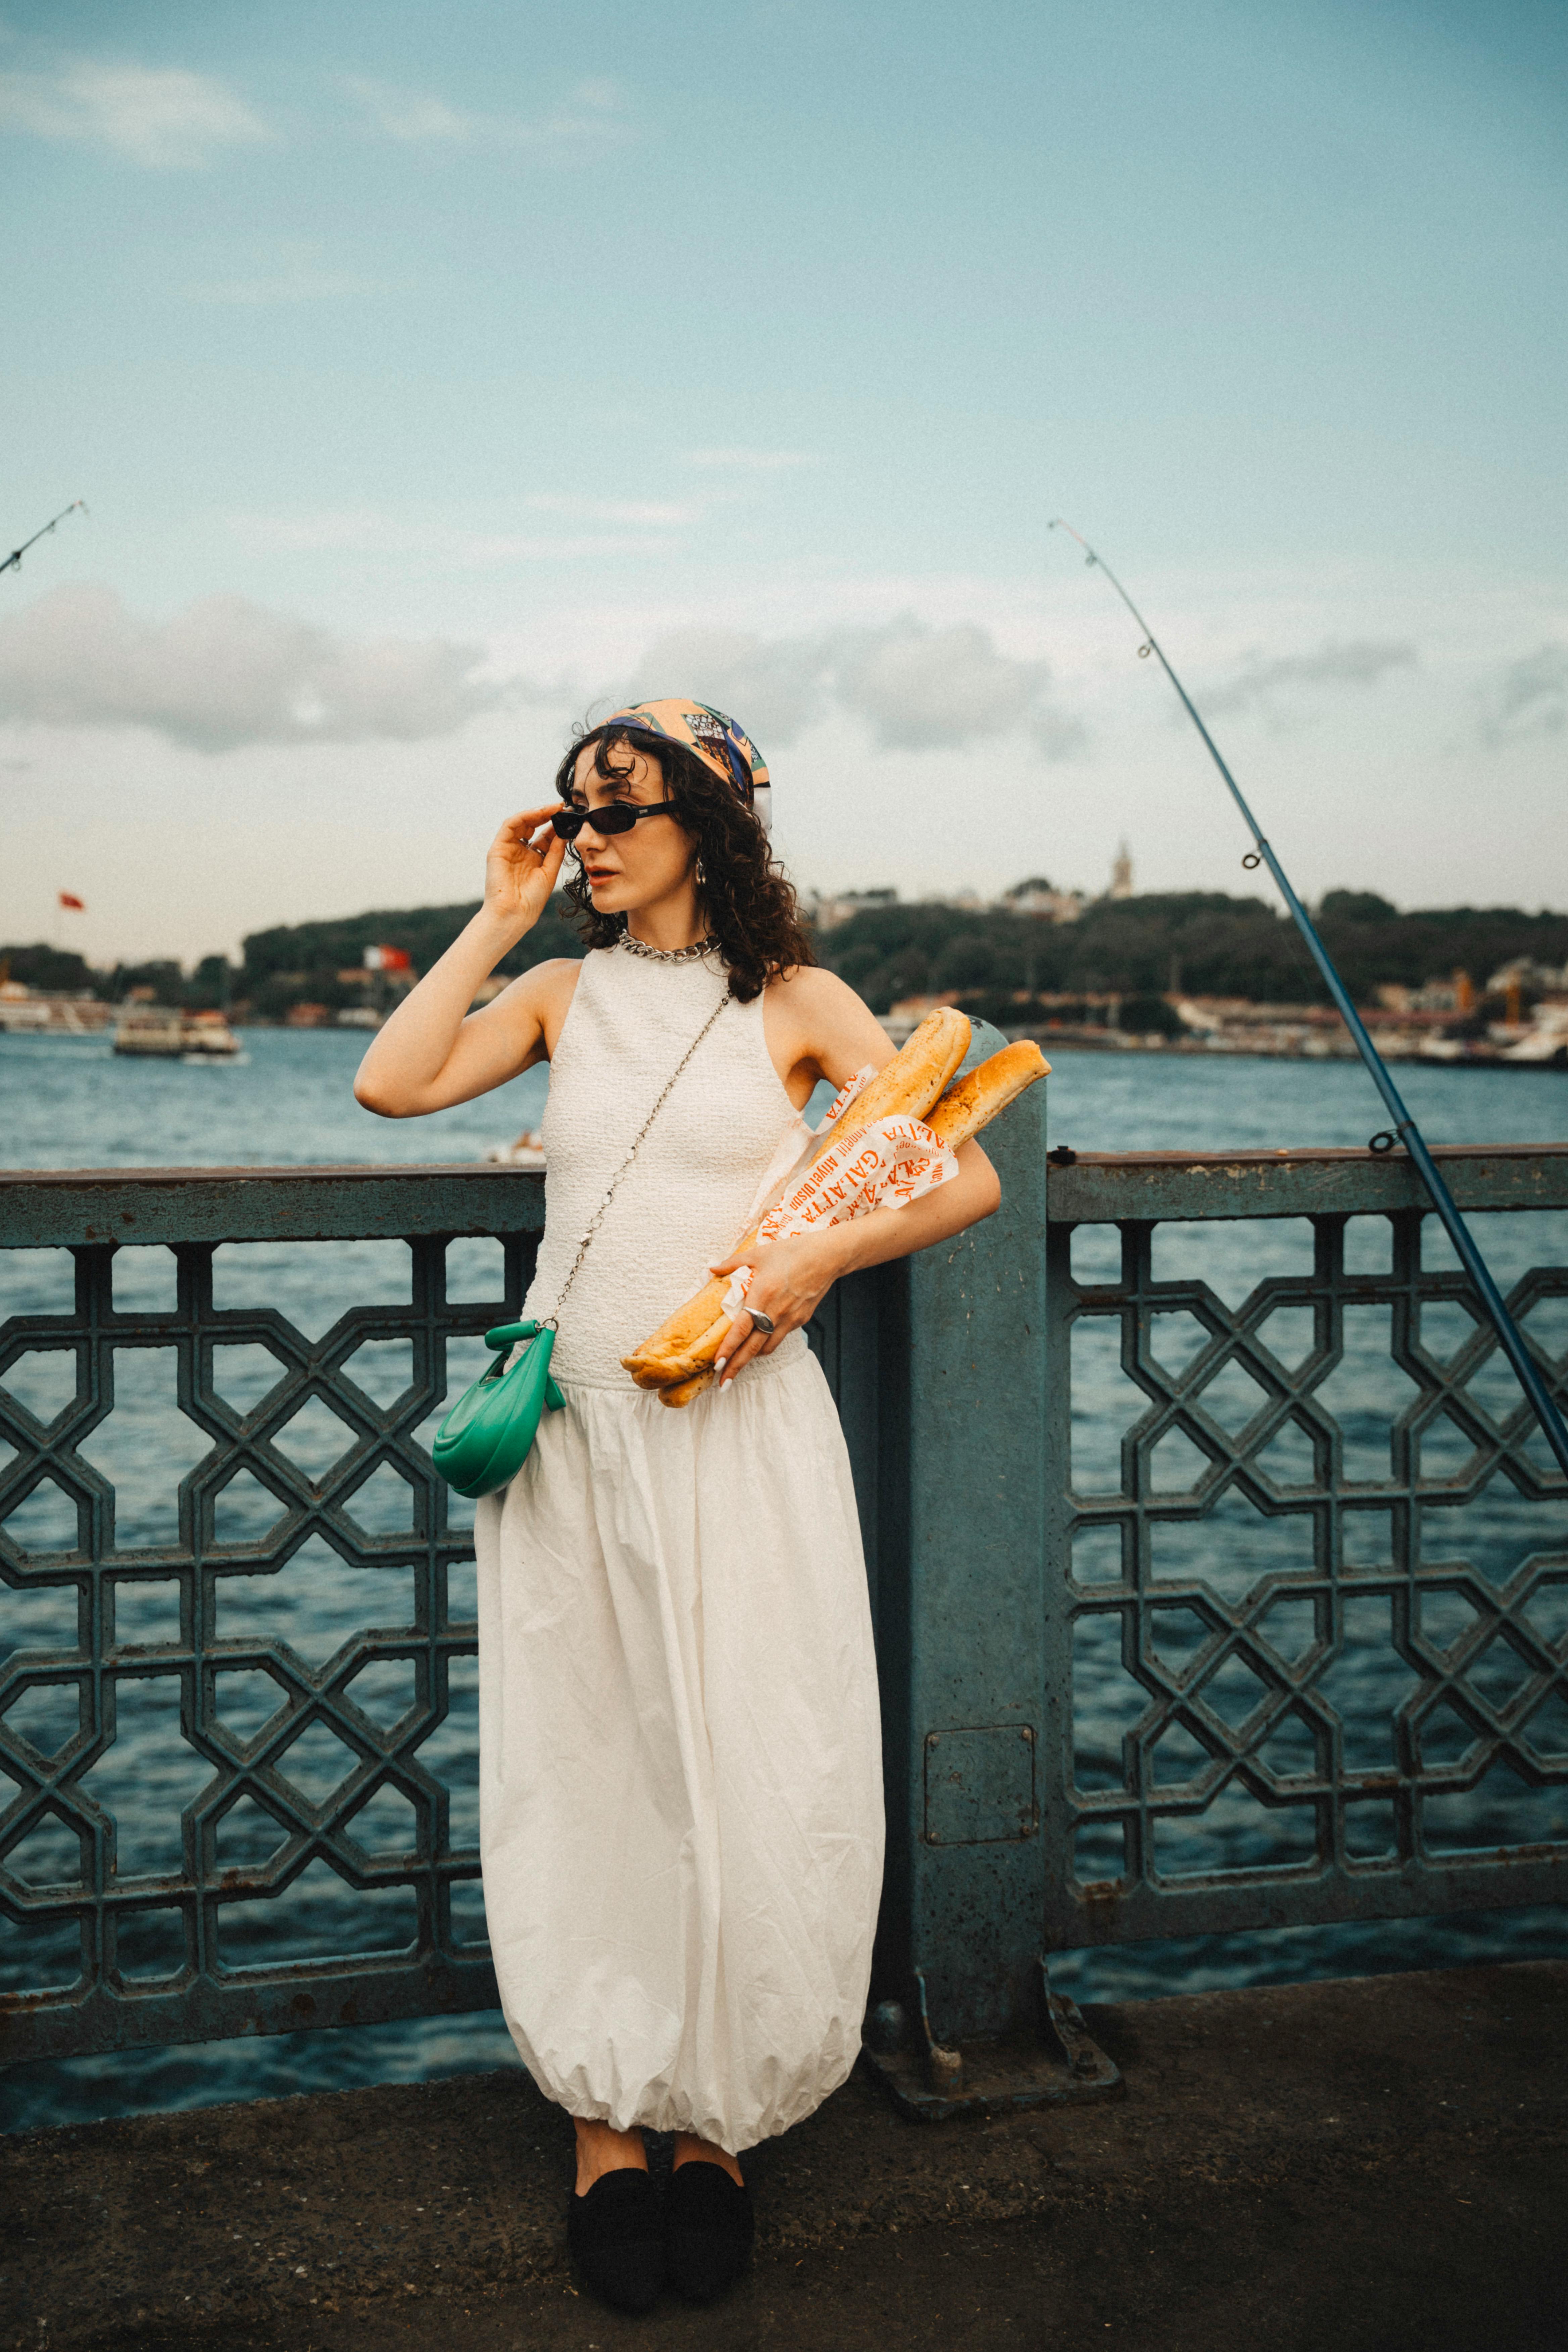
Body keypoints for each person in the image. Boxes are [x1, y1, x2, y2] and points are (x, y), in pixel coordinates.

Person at [353, 701, 1001, 2311]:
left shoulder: (800, 1001)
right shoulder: (564, 993)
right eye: (575, 809)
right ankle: (601, 2110)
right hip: (573, 1441)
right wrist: (498, 918)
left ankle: (713, 2116)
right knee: (596, 1767)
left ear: (709, 824)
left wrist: (812, 1257)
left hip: (738, 1430)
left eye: (621, 807)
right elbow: (392, 1083)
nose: (589, 834)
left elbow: (964, 1168)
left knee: (742, 1756)